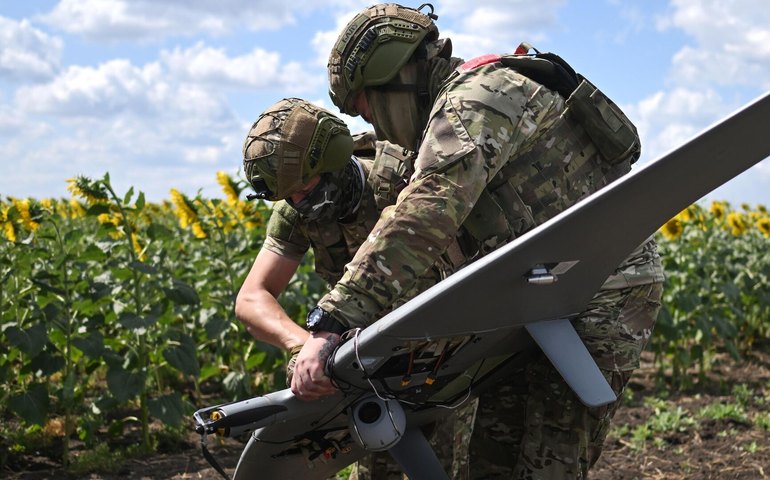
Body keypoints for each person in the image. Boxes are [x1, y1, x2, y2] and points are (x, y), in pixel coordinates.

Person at [292, 3, 665, 479]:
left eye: (366, 106)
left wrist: (332, 320)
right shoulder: (451, 111)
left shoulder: (479, 99)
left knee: (548, 459)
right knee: (494, 458)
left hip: (599, 291)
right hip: (535, 297)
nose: (375, 127)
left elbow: (425, 213)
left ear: (397, 78)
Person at [235, 97, 453, 479]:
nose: (299, 203)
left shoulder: (405, 177)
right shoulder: (296, 208)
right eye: (290, 197)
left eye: (305, 188)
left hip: (449, 356)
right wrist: (305, 346)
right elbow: (253, 298)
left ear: (333, 161)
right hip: (371, 368)